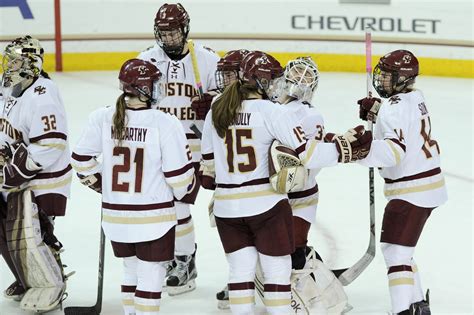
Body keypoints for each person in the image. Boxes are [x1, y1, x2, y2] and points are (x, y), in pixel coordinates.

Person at [200, 50, 372, 315]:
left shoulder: (216, 109)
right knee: (278, 274)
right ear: (260, 82)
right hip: (265, 206)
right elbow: (309, 154)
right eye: (272, 80)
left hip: (226, 209)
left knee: (239, 273)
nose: (277, 86)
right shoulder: (271, 111)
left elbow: (208, 167)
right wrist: (346, 150)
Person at [71, 58, 196, 314]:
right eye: (155, 84)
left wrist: (106, 187)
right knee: (151, 276)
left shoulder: (102, 116)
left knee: (130, 270)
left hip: (116, 217)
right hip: (154, 218)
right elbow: (179, 178)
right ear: (143, 89)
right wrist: (186, 190)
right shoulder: (165, 123)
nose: (160, 89)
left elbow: (80, 160)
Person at [356, 50, 447, 315]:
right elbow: (402, 120)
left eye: (387, 76)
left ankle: (402, 311)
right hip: (428, 186)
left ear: (402, 79)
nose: (381, 80)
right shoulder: (416, 97)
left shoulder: (392, 108)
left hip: (411, 191)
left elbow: (393, 153)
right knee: (401, 251)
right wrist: (378, 110)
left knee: (395, 253)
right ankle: (417, 305)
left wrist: (360, 152)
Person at [137, 2, 220, 294]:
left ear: (185, 29)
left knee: (178, 204)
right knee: (165, 205)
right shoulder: (146, 59)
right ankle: (178, 259)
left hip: (195, 146)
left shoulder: (208, 60)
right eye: (164, 33)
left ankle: (184, 260)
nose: (169, 38)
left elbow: (230, 98)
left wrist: (212, 100)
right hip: (158, 147)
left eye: (174, 32)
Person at [0, 35, 72, 312]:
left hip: (43, 180)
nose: (9, 65)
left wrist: (14, 171)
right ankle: (26, 275)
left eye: (16, 60)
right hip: (15, 175)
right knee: (5, 232)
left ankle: (51, 281)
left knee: (29, 233)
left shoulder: (44, 95)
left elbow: (51, 145)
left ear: (31, 64)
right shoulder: (10, 87)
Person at [274, 56, 349, 313]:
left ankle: (307, 291)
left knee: (293, 251)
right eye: (296, 74)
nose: (300, 80)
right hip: (272, 195)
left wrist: (337, 146)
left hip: (302, 194)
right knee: (263, 249)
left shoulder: (311, 113)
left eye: (306, 77)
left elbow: (311, 154)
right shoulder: (268, 107)